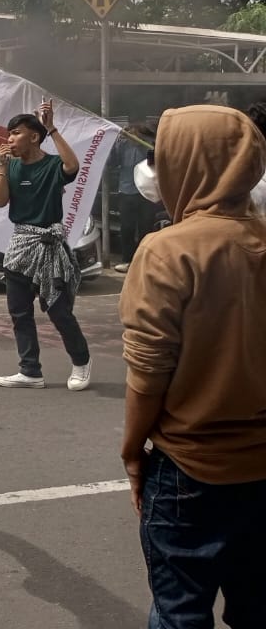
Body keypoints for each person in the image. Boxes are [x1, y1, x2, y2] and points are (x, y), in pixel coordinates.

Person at [118, 105, 266, 626]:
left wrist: (132, 450)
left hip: (188, 469)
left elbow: (148, 372)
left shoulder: (166, 250)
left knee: (180, 611)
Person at [0, 102, 92, 391]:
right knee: (19, 313)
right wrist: (1, 168)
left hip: (48, 247)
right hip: (20, 246)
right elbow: (0, 201)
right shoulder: (12, 166)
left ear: (33, 137)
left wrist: (51, 128)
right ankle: (30, 371)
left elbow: (73, 166)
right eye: (9, 134)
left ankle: (81, 362)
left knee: (59, 312)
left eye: (16, 133)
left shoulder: (50, 165)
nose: (9, 139)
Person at [109, 113, 156, 272]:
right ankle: (127, 260)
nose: (134, 131)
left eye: (137, 127)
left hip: (147, 192)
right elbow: (113, 163)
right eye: (132, 127)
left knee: (146, 228)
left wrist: (144, 142)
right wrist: (118, 142)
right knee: (126, 228)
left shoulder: (150, 143)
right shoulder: (122, 144)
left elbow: (155, 162)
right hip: (126, 190)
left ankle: (144, 260)